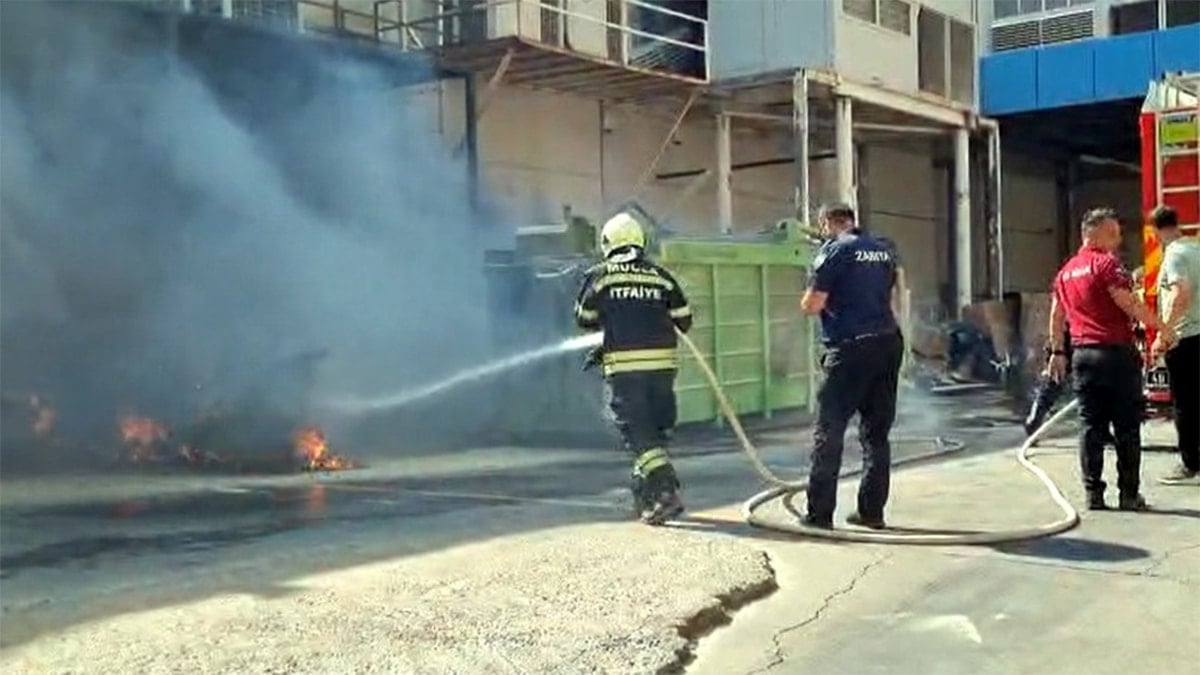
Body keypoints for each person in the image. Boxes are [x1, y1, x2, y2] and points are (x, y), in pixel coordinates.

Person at [1047, 207, 1177, 511]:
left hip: (1082, 356)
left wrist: (1057, 352)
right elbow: (1129, 304)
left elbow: (1056, 316)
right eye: (1112, 233)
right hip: (1115, 354)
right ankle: (1129, 495)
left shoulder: (1066, 271)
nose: (1117, 240)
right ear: (1093, 233)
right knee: (1127, 427)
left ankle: (1093, 494)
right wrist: (1163, 328)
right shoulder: (1107, 265)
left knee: (1090, 426)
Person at [574, 211, 693, 525]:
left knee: (638, 434)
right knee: (654, 432)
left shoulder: (601, 276)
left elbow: (584, 320)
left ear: (607, 243)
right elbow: (684, 319)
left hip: (626, 372)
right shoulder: (661, 276)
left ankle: (666, 490)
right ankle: (647, 496)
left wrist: (615, 325)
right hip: (663, 370)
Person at [799, 203, 904, 530]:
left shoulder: (835, 251)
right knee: (876, 434)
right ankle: (872, 512)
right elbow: (887, 297)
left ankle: (819, 515)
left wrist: (808, 297)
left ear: (828, 222)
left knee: (829, 430)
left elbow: (813, 304)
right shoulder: (882, 250)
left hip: (850, 347)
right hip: (887, 342)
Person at [1149, 206, 1200, 484]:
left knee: (1185, 404)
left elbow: (1181, 293)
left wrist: (1164, 332)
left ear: (1155, 231)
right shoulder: (1196, 250)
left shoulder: (1174, 255)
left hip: (1186, 339)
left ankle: (1190, 462)